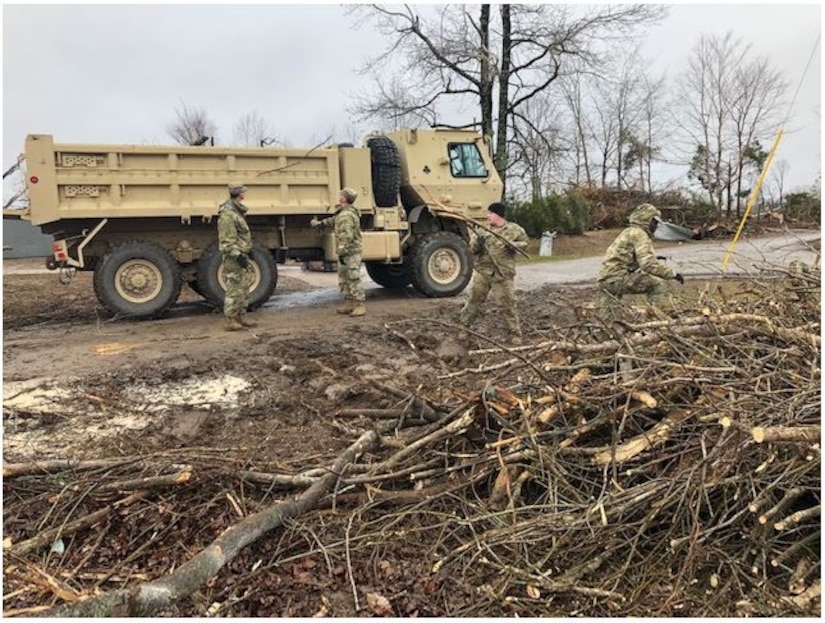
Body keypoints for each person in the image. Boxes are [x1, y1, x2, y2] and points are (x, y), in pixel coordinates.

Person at [458, 202, 529, 345]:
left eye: (491, 213)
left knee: (508, 303)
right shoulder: (482, 230)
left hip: (503, 274)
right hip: (484, 272)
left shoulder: (514, 230)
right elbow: (472, 250)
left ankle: (515, 334)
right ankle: (464, 327)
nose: (488, 216)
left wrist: (513, 245)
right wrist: (478, 241)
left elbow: (525, 244)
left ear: (498, 215)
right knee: (474, 300)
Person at [597, 203, 684, 317]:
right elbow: (647, 264)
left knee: (610, 317)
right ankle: (656, 319)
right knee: (656, 285)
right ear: (648, 221)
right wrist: (672, 274)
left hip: (605, 280)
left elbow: (625, 257)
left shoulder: (628, 232)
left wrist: (655, 258)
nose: (656, 226)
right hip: (618, 278)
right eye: (654, 222)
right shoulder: (640, 234)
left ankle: (606, 331)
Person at [311, 188, 365, 316]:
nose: (339, 197)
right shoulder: (343, 212)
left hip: (350, 252)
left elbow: (347, 236)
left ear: (344, 199)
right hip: (345, 252)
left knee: (353, 277)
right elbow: (333, 220)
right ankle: (349, 303)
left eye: (341, 195)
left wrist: (342, 251)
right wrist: (319, 223)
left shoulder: (347, 215)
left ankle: (359, 304)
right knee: (344, 278)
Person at [217, 182, 257, 331]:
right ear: (240, 194)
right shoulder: (228, 214)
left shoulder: (236, 211)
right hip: (234, 258)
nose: (244, 194)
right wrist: (238, 255)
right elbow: (226, 242)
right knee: (234, 288)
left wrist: (248, 250)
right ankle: (230, 320)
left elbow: (240, 236)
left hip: (241, 254)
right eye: (243, 192)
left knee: (244, 286)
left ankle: (241, 315)